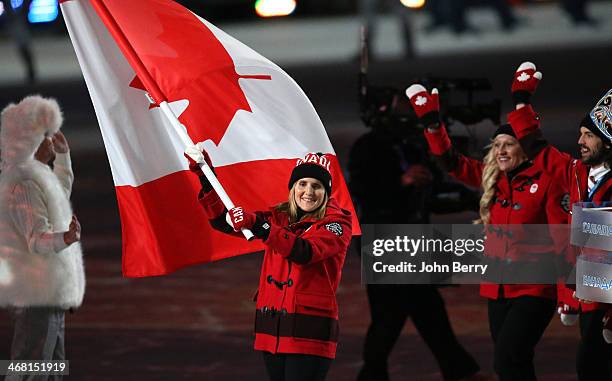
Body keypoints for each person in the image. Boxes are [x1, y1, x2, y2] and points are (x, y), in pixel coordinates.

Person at [406, 81, 569, 381]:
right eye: (496, 146)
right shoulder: (493, 178)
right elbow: (451, 162)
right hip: (498, 288)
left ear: (525, 147)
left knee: (508, 358)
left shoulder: (547, 180)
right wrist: (432, 125)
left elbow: (562, 236)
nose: (501, 151)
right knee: (513, 363)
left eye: (508, 143)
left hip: (535, 288)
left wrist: (566, 290)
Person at [350, 91, 487, 381]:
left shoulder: (412, 148)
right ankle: (458, 371)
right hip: (382, 241)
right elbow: (363, 195)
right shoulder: (366, 148)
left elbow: (432, 194)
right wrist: (401, 181)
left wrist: (471, 199)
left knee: (414, 311)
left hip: (413, 241)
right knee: (402, 313)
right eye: (401, 110)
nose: (407, 117)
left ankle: (456, 370)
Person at [184, 147, 352, 381]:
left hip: (308, 334)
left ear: (326, 192)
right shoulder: (278, 218)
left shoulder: (337, 225)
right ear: (293, 187)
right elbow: (223, 222)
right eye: (302, 184)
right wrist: (205, 176)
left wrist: (259, 226)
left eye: (317, 186)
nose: (308, 192)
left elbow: (304, 252)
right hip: (272, 329)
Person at [505, 61, 612, 380]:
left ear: (607, 143)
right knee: (591, 367)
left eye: (588, 136)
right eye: (579, 133)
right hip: (592, 292)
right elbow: (537, 148)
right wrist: (522, 102)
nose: (580, 141)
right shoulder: (577, 172)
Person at [0, 95, 85, 379]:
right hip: (38, 293)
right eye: (47, 136)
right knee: (31, 368)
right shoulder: (24, 185)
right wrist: (67, 238)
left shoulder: (32, 178)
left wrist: (63, 158)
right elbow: (37, 241)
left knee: (49, 369)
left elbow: (58, 198)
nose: (53, 139)